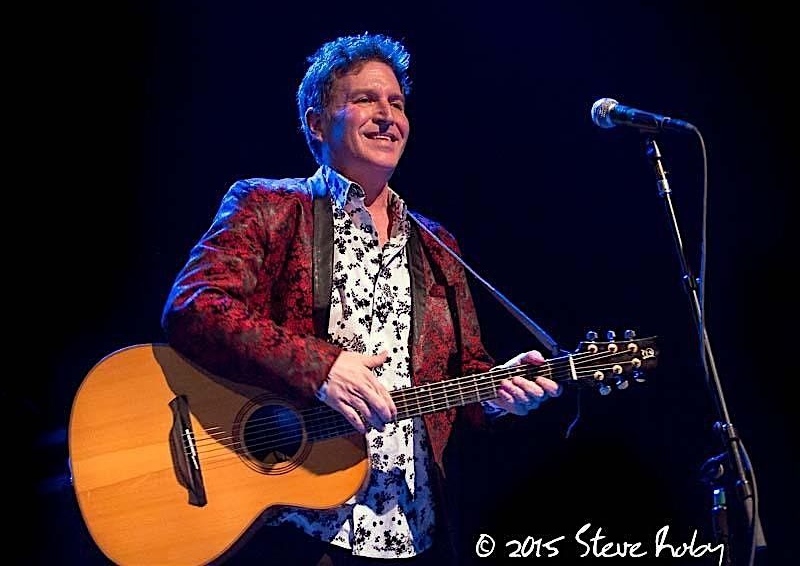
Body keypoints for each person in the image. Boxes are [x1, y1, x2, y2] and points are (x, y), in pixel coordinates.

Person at [161, 33, 562, 565]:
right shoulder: (268, 205)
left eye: (397, 103)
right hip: (297, 525)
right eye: (365, 99)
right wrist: (321, 368)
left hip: (414, 529)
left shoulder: (438, 245)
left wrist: (496, 391)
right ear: (316, 123)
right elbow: (195, 304)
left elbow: (462, 373)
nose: (387, 116)